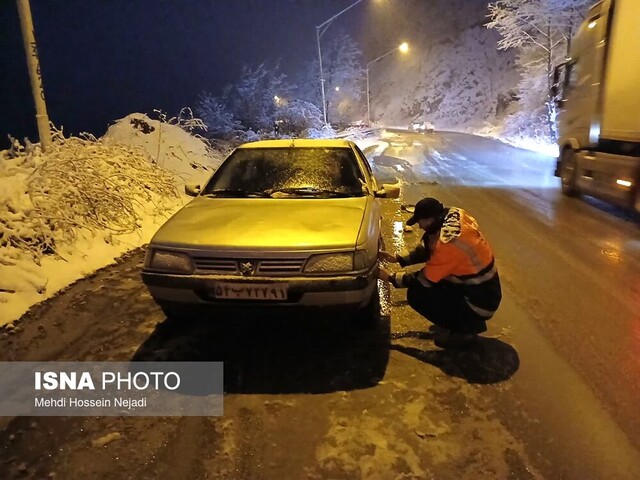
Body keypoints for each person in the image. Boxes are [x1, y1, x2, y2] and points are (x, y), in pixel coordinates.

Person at [378, 197, 502, 348]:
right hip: (483, 289)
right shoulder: (454, 215)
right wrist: (398, 259)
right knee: (438, 284)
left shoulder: (449, 244)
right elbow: (431, 249)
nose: (420, 226)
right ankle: (467, 321)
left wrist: (390, 278)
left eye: (420, 222)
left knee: (417, 294)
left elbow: (424, 279)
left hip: (481, 303)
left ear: (430, 219)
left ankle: (465, 331)